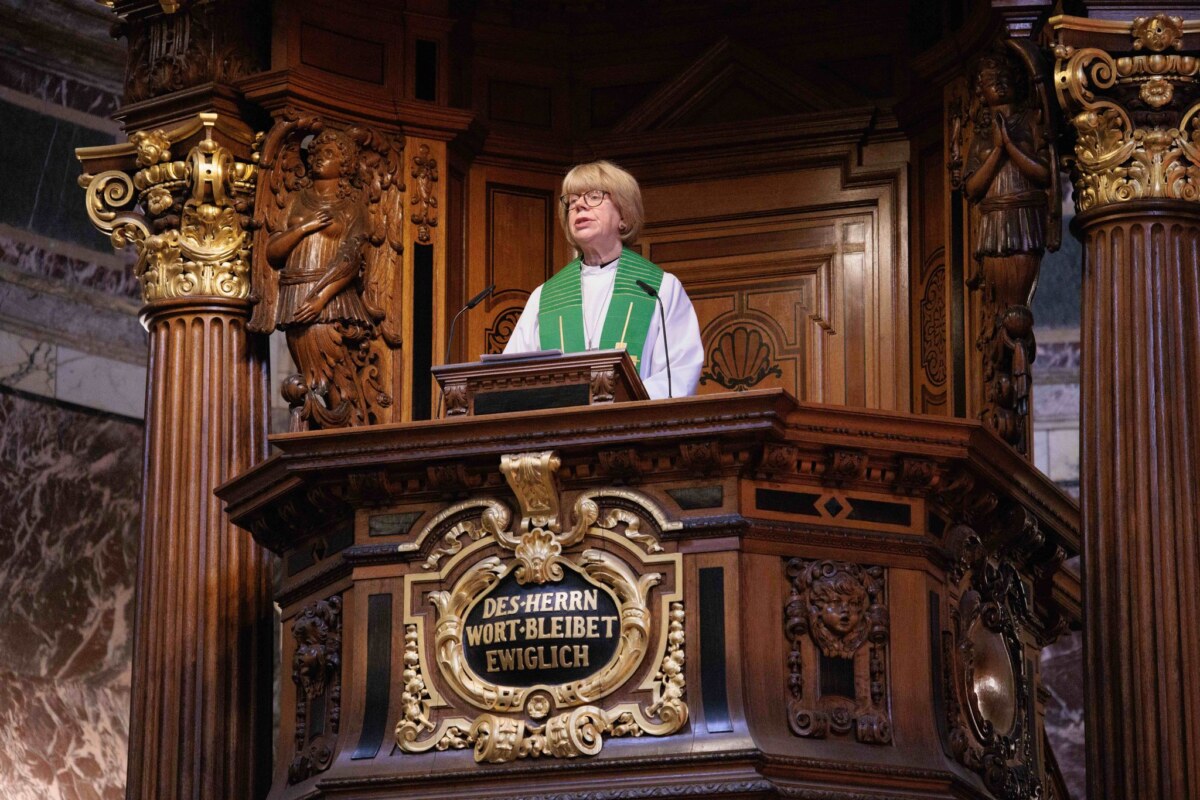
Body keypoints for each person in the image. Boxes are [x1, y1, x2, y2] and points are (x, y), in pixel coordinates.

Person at [503, 160, 703, 399]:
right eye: (572, 200)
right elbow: (511, 376)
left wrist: (617, 407)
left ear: (624, 216)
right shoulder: (545, 297)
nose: (579, 206)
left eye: (594, 196)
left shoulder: (658, 289)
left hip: (632, 431)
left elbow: (679, 374)